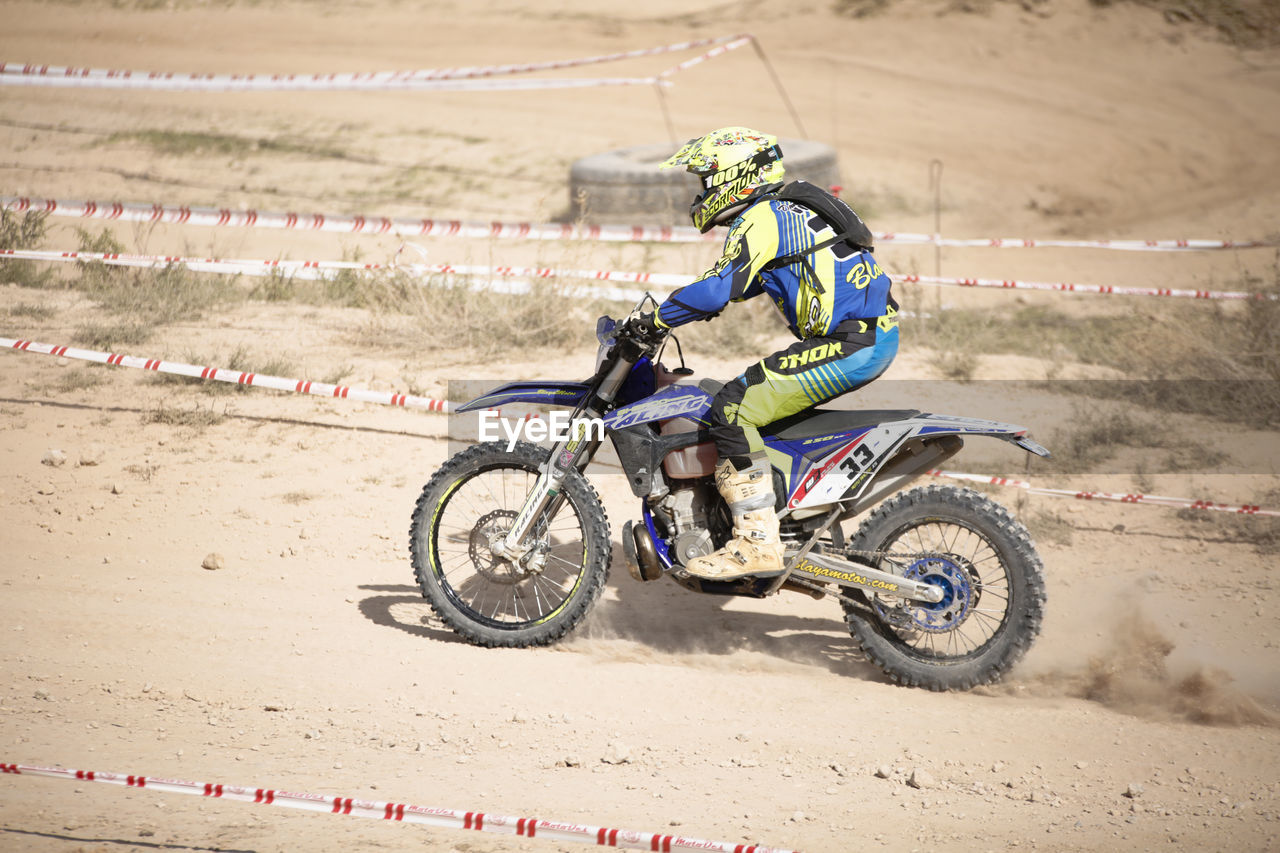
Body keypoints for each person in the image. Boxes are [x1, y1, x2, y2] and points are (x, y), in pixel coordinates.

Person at [636, 126, 900, 581]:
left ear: (732, 177)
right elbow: (756, 279)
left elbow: (719, 288)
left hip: (852, 344)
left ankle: (756, 542)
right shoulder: (786, 210)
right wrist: (697, 306)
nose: (702, 193)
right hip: (864, 336)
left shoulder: (764, 217)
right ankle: (782, 514)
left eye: (706, 181)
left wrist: (658, 319)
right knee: (756, 407)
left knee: (734, 407)